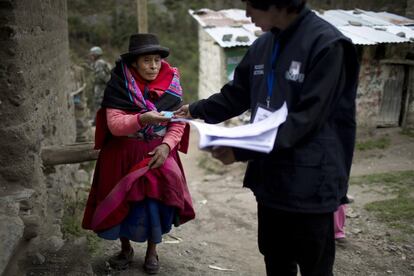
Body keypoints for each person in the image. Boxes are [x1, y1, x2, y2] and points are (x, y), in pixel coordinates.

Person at [175, 0, 359, 275]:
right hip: (271, 178)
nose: (247, 13)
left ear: (277, 3)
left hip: (311, 180)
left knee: (315, 266)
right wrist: (197, 109)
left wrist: (241, 150)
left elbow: (307, 119)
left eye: (251, 5)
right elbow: (237, 94)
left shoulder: (328, 45)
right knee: (275, 260)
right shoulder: (263, 45)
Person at [82, 33, 195, 274]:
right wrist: (142, 118)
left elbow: (177, 122)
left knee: (155, 201)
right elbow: (114, 125)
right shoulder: (119, 85)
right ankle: (125, 248)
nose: (153, 66)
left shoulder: (171, 84)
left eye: (156, 60)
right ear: (134, 62)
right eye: (147, 61)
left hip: (157, 151)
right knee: (122, 202)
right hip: (122, 152)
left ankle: (152, 251)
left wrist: (166, 146)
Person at [89, 46, 112, 123]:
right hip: (101, 86)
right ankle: (98, 120)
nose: (91, 56)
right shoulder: (100, 62)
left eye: (92, 55)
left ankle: (99, 121)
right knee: (98, 103)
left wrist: (108, 83)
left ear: (96, 55)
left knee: (99, 102)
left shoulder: (99, 63)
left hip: (101, 87)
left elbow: (101, 75)